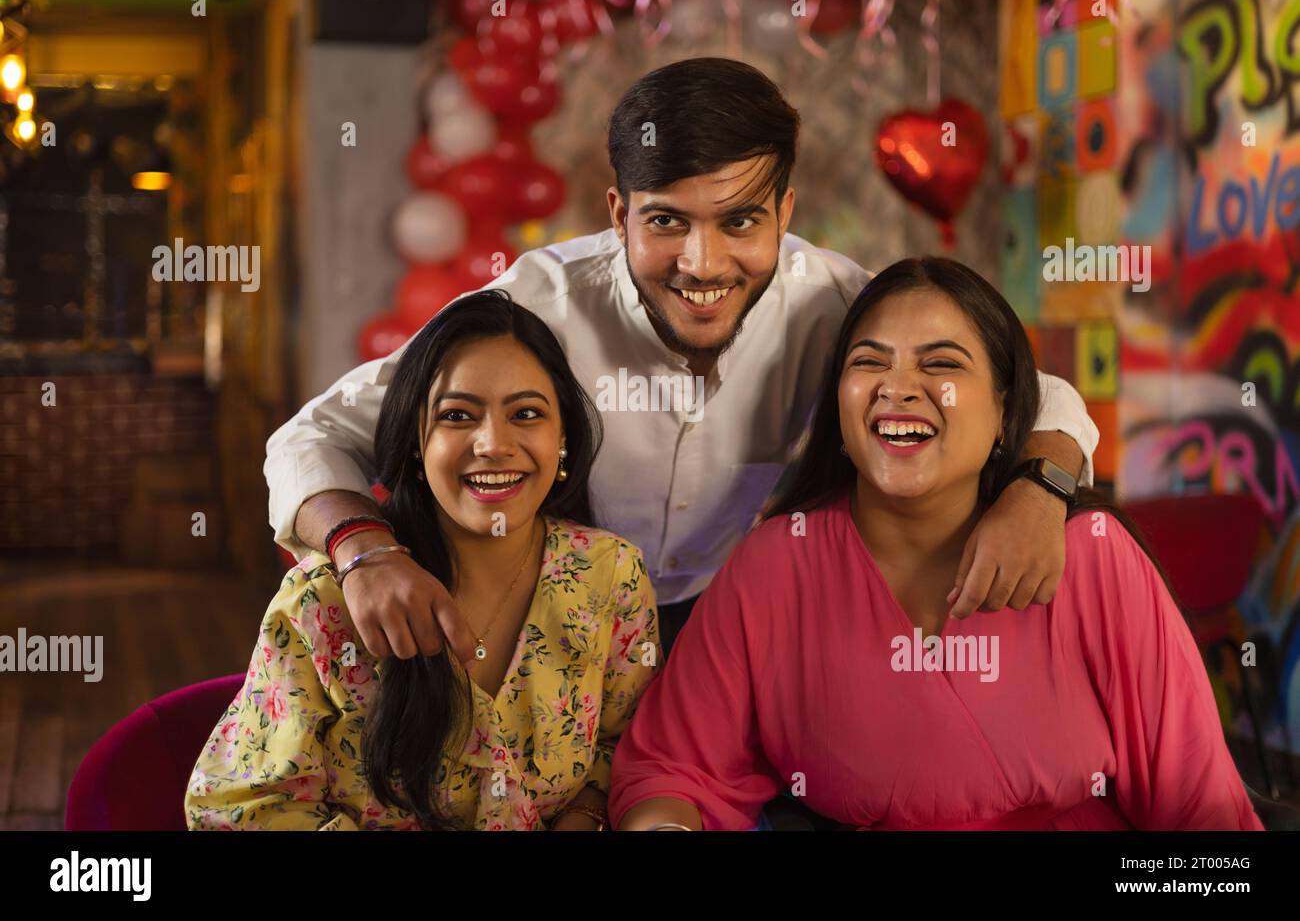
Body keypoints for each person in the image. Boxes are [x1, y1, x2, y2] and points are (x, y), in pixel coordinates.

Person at [264, 57, 1098, 665]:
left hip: (736, 616)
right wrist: (366, 550)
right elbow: (310, 438)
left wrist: (1039, 489)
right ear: (620, 212)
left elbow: (1046, 396)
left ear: (786, 213)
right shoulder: (535, 304)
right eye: (666, 222)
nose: (703, 264)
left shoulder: (844, 308)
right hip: (542, 617)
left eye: (740, 221)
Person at [608, 257, 1264, 832]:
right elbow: (671, 767)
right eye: (869, 362)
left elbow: (1202, 812)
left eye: (941, 363)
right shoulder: (777, 566)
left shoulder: (1091, 556)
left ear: (1009, 413)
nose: (899, 386)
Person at [187, 292, 658, 830]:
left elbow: (626, 749)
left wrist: (584, 815)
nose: (493, 444)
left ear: (565, 439)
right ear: (415, 441)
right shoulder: (324, 602)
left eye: (526, 414)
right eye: (458, 415)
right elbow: (237, 813)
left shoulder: (611, 575)